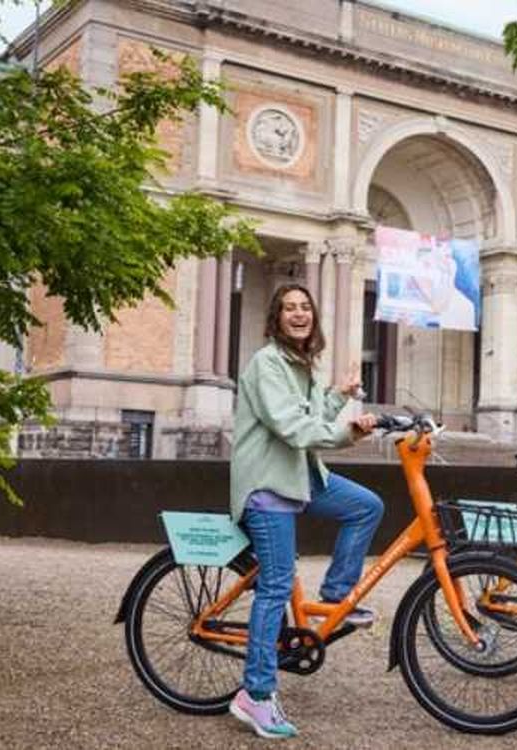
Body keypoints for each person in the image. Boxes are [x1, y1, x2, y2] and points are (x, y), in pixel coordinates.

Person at [228, 283, 384, 739]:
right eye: (289, 308)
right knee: (275, 585)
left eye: (305, 308)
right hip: (268, 483)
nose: (299, 314)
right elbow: (292, 426)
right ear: (275, 319)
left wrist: (339, 396)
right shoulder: (267, 364)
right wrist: (347, 433)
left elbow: (313, 414)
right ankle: (254, 695)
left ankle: (336, 597)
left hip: (302, 476)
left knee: (366, 506)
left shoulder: (302, 366)